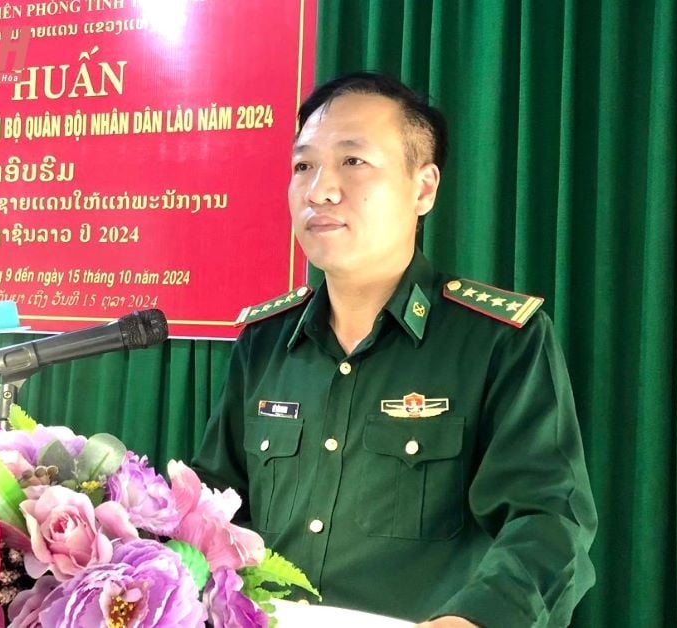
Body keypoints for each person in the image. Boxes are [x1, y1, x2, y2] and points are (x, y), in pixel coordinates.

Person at [191, 71, 597, 627]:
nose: (320, 190)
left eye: (353, 162)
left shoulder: (497, 341)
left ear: (423, 188)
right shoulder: (265, 342)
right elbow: (213, 506)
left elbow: (549, 519)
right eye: (303, 165)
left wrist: (474, 619)